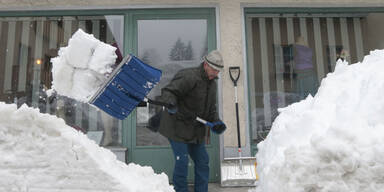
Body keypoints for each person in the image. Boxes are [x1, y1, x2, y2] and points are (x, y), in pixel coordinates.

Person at [157, 50, 227, 192]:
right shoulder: (189, 76)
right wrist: (170, 102)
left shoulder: (212, 84)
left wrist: (216, 121)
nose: (216, 73)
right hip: (177, 125)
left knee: (202, 161)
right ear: (206, 64)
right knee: (182, 162)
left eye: (218, 71)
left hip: (195, 129)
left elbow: (210, 109)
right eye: (214, 69)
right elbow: (168, 92)